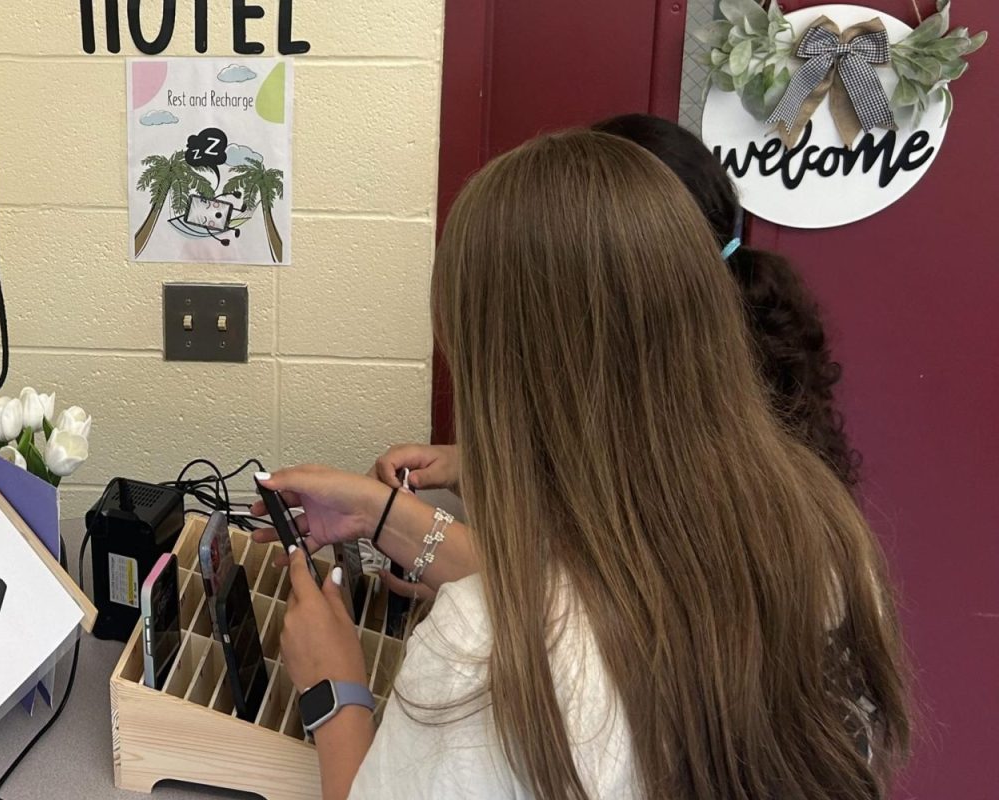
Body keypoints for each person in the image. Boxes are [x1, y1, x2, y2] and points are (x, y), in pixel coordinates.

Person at [252, 130, 908, 800]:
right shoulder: (824, 529)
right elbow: (620, 610)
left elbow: (561, 632)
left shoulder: (481, 653)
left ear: (505, 375)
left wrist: (334, 692)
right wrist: (380, 512)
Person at [376, 114, 858, 494]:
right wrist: (472, 468)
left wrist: (413, 532)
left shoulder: (712, 467)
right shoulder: (661, 410)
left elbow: (593, 585)